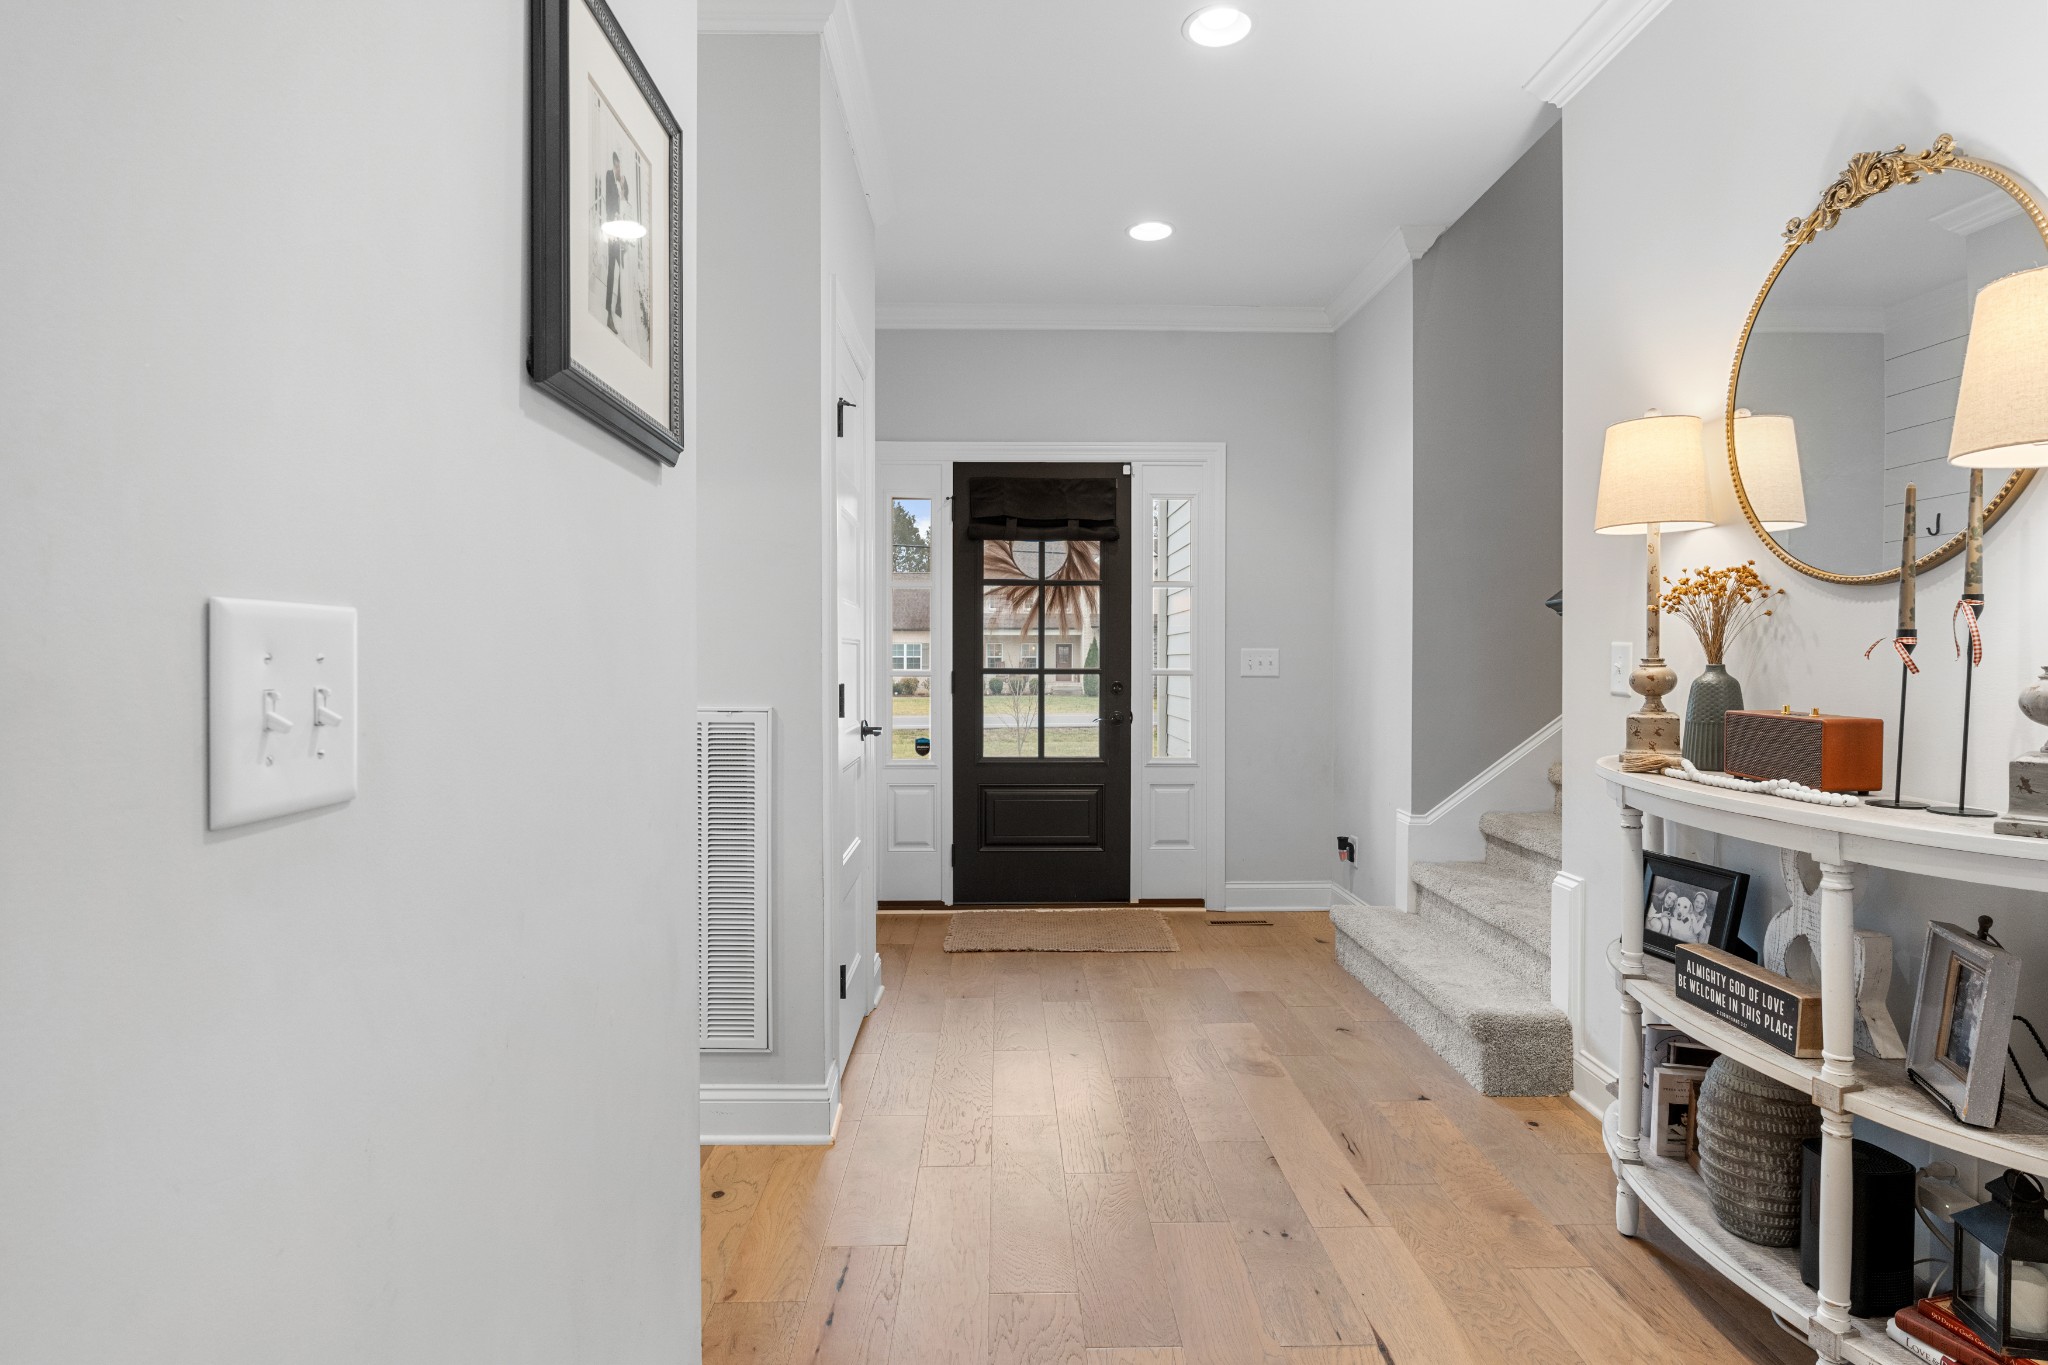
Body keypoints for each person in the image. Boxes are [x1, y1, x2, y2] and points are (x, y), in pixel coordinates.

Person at [602, 152, 631, 331]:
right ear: (614, 164)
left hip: (623, 232)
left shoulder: (624, 181)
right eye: (616, 165)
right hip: (612, 230)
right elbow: (609, 204)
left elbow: (626, 202)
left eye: (620, 165)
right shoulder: (608, 175)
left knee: (624, 268)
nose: (618, 168)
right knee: (612, 269)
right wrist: (613, 218)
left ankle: (620, 305)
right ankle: (608, 312)